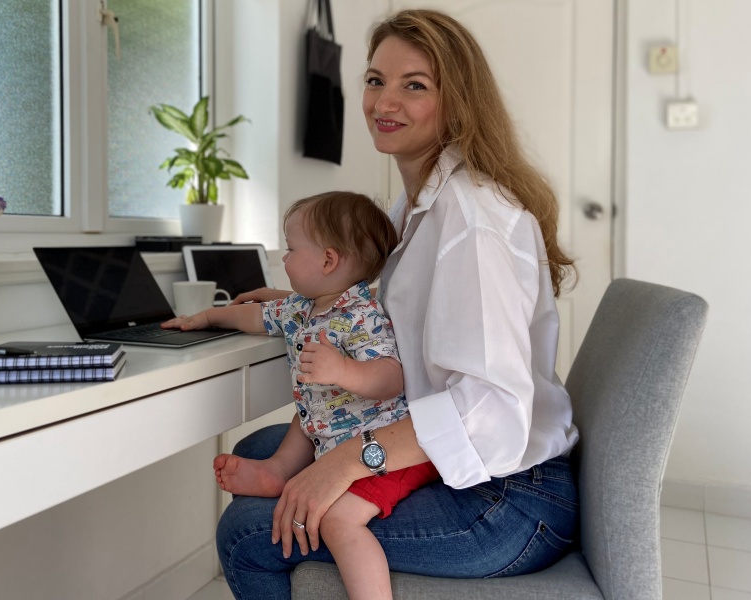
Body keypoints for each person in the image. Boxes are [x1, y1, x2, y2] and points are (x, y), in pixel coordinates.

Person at [213, 8, 582, 600]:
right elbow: (386, 318)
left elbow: (491, 410)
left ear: (457, 103)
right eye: (375, 80)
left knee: (246, 532)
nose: (384, 102)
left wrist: (350, 460)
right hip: (467, 469)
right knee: (259, 455)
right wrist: (299, 300)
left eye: (414, 86)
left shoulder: (472, 221)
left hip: (508, 499)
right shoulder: (410, 209)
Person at [163, 191, 439, 600]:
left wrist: (343, 370)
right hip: (335, 433)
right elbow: (253, 315)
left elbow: (390, 377)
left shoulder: (361, 316)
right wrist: (204, 317)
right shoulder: (300, 309)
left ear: (327, 261)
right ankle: (278, 470)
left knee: (339, 521)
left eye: (291, 249)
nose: (285, 257)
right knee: (308, 414)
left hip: (388, 454)